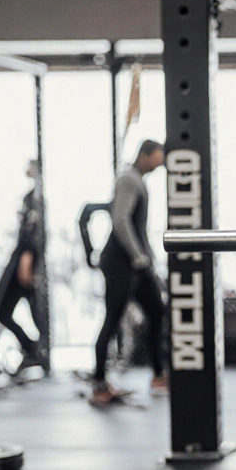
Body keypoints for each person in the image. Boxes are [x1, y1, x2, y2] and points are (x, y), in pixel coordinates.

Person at [91, 140, 167, 406]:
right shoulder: (128, 178)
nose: (161, 162)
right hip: (120, 262)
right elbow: (120, 219)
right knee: (112, 319)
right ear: (145, 155)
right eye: (158, 156)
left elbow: (135, 224)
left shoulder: (136, 178)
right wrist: (137, 256)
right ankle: (99, 384)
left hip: (137, 264)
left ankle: (158, 374)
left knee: (157, 310)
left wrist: (146, 258)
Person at [0, 161, 48, 373]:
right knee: (25, 312)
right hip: (25, 259)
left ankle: (36, 351)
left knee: (4, 309)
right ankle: (34, 349)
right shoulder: (33, 197)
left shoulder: (35, 199)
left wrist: (26, 259)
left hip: (25, 261)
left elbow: (32, 233)